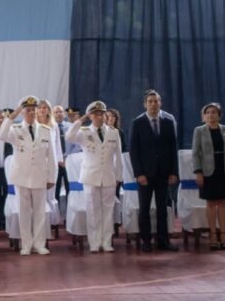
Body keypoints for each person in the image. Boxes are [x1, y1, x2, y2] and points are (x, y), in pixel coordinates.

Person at [0, 96, 57, 256]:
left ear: (37, 111)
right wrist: (14, 113)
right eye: (27, 110)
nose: (31, 113)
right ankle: (26, 244)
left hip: (39, 176)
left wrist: (52, 178)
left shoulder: (46, 130)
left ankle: (39, 244)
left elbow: (52, 156)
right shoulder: (16, 130)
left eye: (33, 110)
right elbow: (1, 135)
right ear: (22, 112)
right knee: (23, 212)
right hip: (21, 177)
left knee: (39, 212)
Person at [65, 101, 123, 253]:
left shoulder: (113, 132)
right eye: (96, 114)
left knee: (108, 211)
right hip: (90, 176)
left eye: (102, 113)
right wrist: (80, 120)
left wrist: (119, 177)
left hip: (109, 176)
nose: (100, 116)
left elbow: (119, 157)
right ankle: (95, 242)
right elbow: (68, 137)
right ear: (90, 116)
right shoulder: (84, 132)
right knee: (93, 211)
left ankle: (106, 241)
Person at [129, 89, 179, 252]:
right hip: (145, 174)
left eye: (156, 101)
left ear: (160, 103)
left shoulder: (168, 122)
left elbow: (173, 148)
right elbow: (134, 151)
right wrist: (139, 174)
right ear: (145, 104)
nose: (153, 104)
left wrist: (173, 172)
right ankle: (146, 241)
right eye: (150, 101)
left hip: (164, 173)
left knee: (162, 209)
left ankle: (163, 241)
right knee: (144, 208)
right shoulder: (137, 122)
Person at [191, 102, 225, 250]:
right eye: (208, 113)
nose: (211, 115)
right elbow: (195, 153)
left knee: (223, 203)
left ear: (219, 115)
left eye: (214, 112)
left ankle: (223, 235)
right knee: (211, 204)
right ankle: (213, 235)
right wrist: (198, 172)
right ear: (204, 116)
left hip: (224, 170)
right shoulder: (199, 131)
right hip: (207, 172)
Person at [53, 105, 70, 202]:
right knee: (55, 189)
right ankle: (57, 214)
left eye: (61, 112)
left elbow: (76, 145)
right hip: (55, 163)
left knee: (70, 189)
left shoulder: (71, 127)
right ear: (52, 114)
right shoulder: (49, 128)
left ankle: (69, 215)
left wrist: (67, 158)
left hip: (69, 162)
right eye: (56, 112)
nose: (59, 114)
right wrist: (59, 159)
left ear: (64, 113)